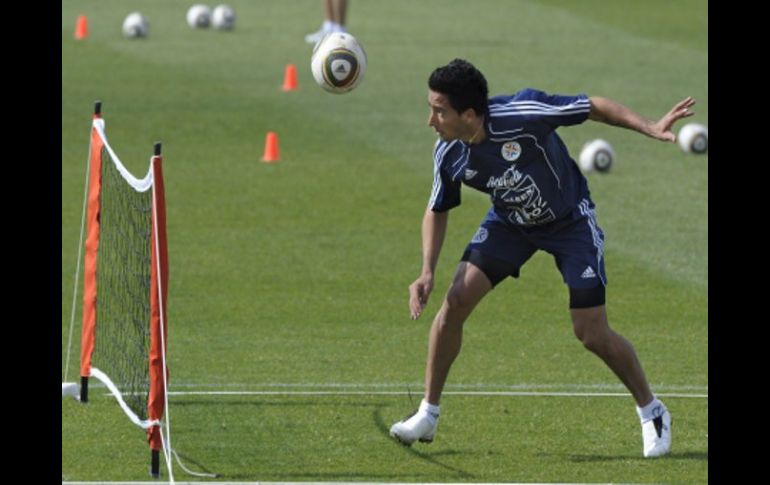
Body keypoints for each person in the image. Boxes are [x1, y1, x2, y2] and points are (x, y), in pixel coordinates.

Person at [389, 58, 694, 458]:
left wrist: (649, 126)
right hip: (510, 223)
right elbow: (438, 207)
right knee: (456, 301)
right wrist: (426, 270)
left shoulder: (523, 113)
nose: (431, 120)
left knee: (590, 331)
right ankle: (427, 414)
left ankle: (651, 410)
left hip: (570, 221)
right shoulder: (448, 150)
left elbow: (593, 106)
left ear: (468, 113)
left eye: (438, 110)